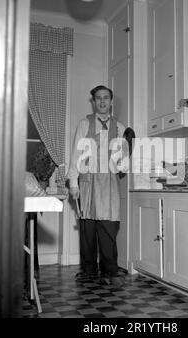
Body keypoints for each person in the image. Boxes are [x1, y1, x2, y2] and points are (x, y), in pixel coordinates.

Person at [67, 85, 129, 287]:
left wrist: (124, 162)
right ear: (93, 102)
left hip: (109, 183)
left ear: (111, 101)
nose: (102, 101)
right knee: (87, 230)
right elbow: (76, 155)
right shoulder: (84, 124)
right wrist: (73, 182)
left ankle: (110, 271)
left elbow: (122, 161)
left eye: (106, 98)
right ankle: (88, 271)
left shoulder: (120, 127)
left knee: (108, 228)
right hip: (87, 182)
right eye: (98, 98)